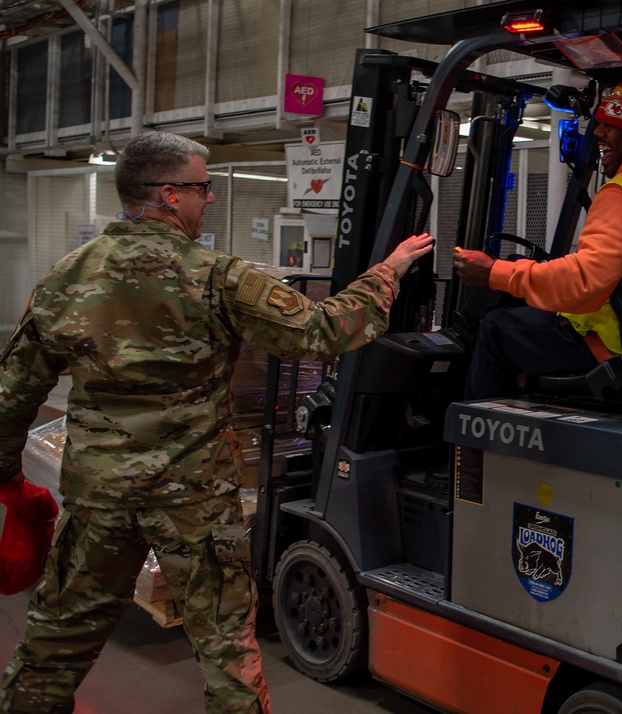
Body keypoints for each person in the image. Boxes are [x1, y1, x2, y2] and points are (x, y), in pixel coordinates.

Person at [0, 130, 434, 714]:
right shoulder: (217, 276)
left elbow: (11, 396)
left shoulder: (64, 279)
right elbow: (322, 331)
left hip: (100, 495)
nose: (211, 199)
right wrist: (388, 271)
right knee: (226, 649)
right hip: (194, 500)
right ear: (170, 195)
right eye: (204, 188)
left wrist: (8, 477)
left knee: (55, 641)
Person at [454, 62, 622, 399]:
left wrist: (497, 272)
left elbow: (585, 284)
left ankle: (473, 443)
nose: (598, 133)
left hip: (609, 344)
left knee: (495, 327)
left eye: (611, 126)